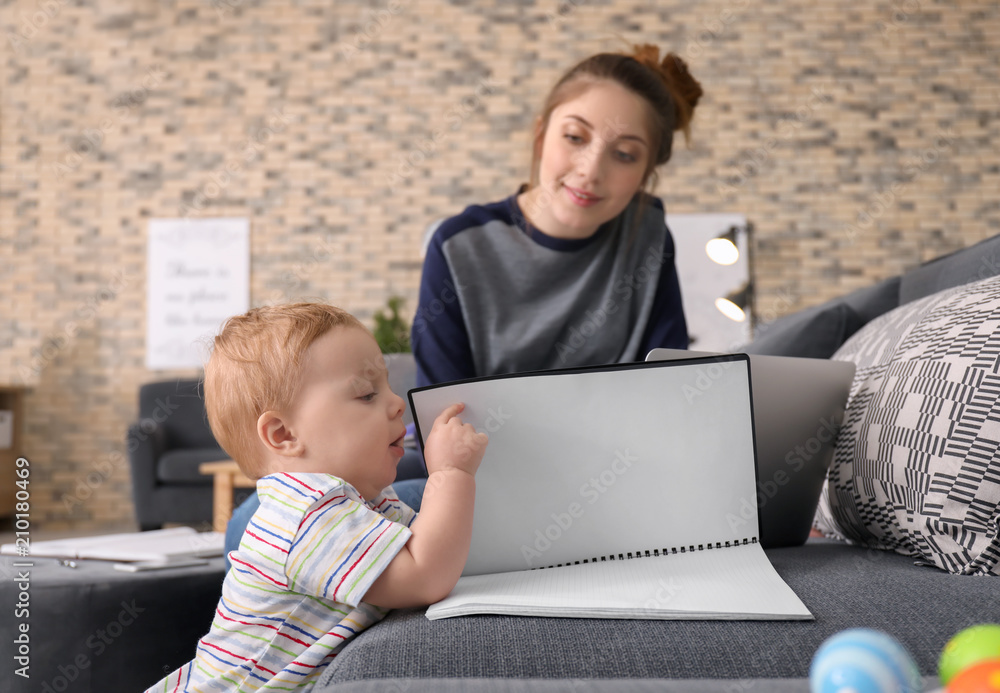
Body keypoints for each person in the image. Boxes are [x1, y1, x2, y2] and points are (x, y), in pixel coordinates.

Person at [150, 303, 487, 692]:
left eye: (389, 387)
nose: (397, 403)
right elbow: (425, 577)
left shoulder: (364, 499)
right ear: (284, 435)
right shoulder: (305, 512)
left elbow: (440, 546)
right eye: (366, 395)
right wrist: (451, 474)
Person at [412, 43, 701, 388]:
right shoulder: (458, 247)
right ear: (540, 136)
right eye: (575, 137)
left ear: (646, 172)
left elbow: (670, 387)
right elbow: (439, 416)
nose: (591, 171)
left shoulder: (647, 235)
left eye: (624, 154)